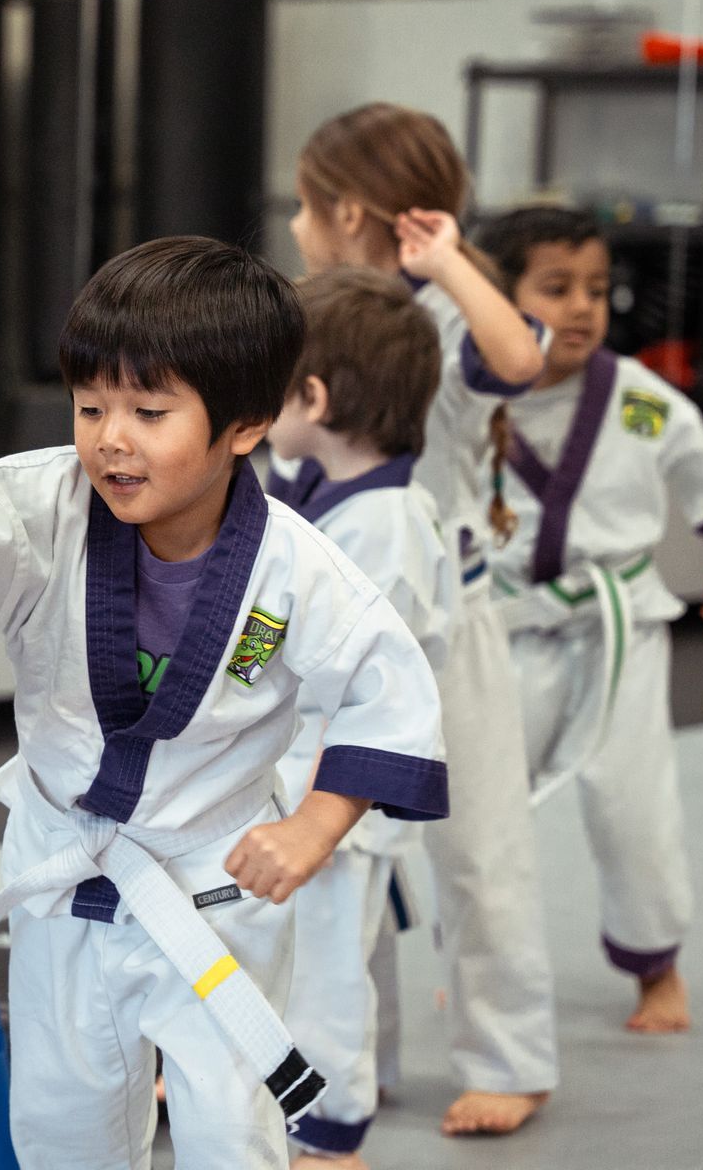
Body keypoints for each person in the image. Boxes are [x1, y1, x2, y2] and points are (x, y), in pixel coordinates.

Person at [0, 236, 450, 1169]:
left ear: (245, 425)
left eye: (149, 411)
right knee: (60, 1119)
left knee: (229, 1128)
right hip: (65, 872)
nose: (110, 438)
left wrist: (317, 827)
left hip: (215, 885)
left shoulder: (294, 569)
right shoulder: (42, 506)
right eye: (91, 406)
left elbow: (386, 691)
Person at [289, 102, 559, 1136]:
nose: (301, 227)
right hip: (333, 641)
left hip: (451, 630)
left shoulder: (448, 316)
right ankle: (353, 1060)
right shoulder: (314, 310)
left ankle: (512, 1052)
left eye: (307, 207)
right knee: (331, 861)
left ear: (346, 208)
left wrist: (448, 262)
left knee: (481, 852)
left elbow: (523, 361)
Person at [475, 207, 703, 1034]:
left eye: (596, 289)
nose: (582, 308)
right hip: (506, 628)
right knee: (484, 811)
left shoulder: (633, 400)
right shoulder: (470, 400)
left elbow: (699, 467)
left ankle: (656, 967)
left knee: (633, 803)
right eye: (555, 289)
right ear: (498, 297)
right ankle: (486, 964)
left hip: (619, 625)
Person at [264, 267, 457, 1170]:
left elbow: (366, 677)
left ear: (313, 396)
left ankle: (331, 1135)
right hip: (304, 774)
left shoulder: (386, 522)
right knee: (320, 948)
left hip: (338, 783)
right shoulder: (332, 491)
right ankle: (311, 1086)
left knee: (329, 968)